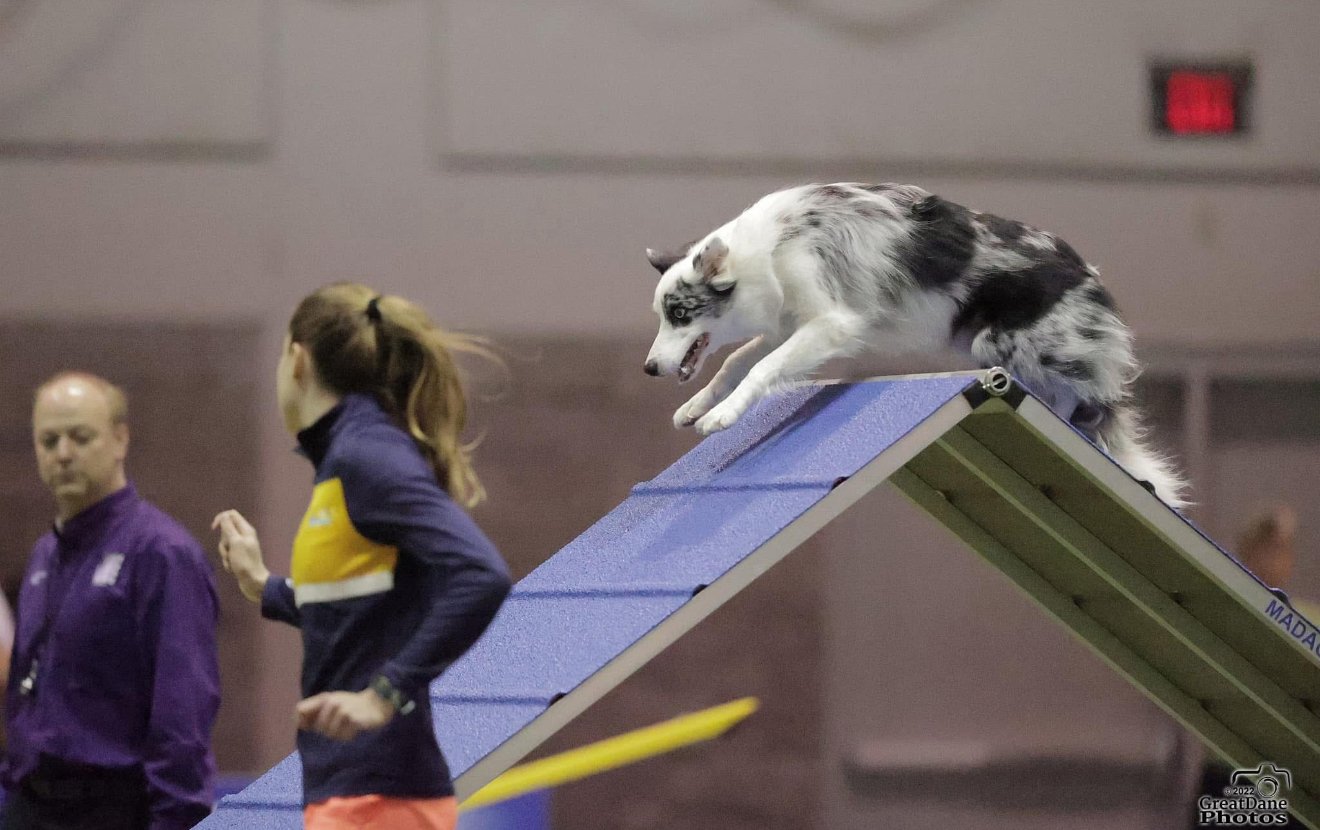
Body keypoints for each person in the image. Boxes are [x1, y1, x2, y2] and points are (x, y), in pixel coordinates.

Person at [213, 283, 512, 830]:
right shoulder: (349, 458)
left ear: (297, 360)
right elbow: (365, 615)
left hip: (378, 800)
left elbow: (482, 574)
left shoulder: (365, 457)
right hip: (356, 794)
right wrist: (264, 587)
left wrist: (383, 694)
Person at [1, 373, 220, 830]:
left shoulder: (161, 553)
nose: (63, 453)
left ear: (120, 440)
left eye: (80, 437)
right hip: (33, 807)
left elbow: (182, 711)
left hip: (116, 810)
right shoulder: (45, 554)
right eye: (49, 440)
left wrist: (176, 819)